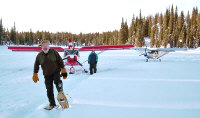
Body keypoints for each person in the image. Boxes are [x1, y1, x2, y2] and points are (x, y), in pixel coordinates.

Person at [32, 40, 68, 110]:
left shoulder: (54, 52)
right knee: (49, 89)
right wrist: (35, 73)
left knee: (57, 82)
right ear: (41, 47)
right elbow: (36, 65)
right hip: (47, 74)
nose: (45, 47)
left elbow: (60, 61)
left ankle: (61, 95)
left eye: (46, 46)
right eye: (43, 46)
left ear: (49, 47)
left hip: (56, 71)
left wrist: (63, 69)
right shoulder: (39, 56)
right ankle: (52, 104)